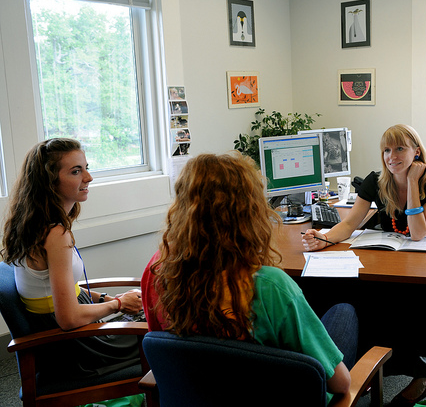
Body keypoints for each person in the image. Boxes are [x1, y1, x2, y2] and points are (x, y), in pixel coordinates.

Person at [141, 152, 358, 401]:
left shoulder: (156, 272)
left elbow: (168, 353)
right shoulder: (271, 287)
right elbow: (340, 384)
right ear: (248, 213)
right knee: (344, 312)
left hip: (196, 396)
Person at [302, 124, 426, 406]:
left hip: (424, 265)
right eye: (386, 150)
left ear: (416, 152)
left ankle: (419, 369)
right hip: (386, 259)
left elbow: (418, 232)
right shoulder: (376, 181)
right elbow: (349, 223)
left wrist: (412, 183)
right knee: (364, 298)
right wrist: (324, 239)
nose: (391, 157)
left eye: (399, 149)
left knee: (405, 304)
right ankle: (375, 364)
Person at [1, 138, 143, 380]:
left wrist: (110, 298)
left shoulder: (34, 225)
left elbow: (52, 292)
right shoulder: (56, 235)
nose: (88, 177)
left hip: (68, 336)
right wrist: (118, 305)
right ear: (49, 182)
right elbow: (67, 319)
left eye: (86, 168)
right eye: (76, 171)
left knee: (156, 317)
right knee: (165, 333)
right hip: (75, 348)